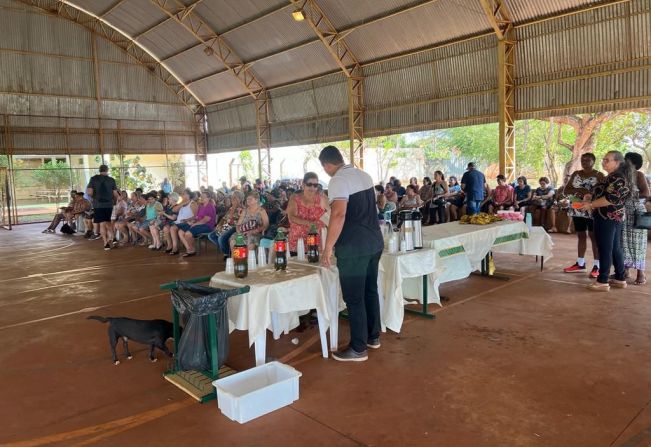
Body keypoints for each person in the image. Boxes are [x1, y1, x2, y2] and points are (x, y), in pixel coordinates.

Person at [319, 145, 383, 362]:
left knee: (354, 298)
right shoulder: (364, 175)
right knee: (370, 291)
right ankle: (373, 337)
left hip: (354, 247)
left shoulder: (337, 180)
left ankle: (358, 348)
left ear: (327, 165)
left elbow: (339, 215)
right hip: (374, 242)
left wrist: (327, 249)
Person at [578, 151, 633, 291]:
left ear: (617, 162)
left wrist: (590, 205)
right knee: (614, 248)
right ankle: (620, 278)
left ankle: (602, 280)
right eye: (603, 159)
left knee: (605, 248)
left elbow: (610, 199)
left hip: (607, 217)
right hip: (611, 217)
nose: (603, 162)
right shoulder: (613, 176)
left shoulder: (617, 178)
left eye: (607, 160)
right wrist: (590, 196)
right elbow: (603, 193)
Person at [563, 153, 605, 277]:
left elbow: (603, 192)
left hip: (592, 210)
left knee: (593, 237)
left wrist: (591, 194)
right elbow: (566, 190)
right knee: (581, 235)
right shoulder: (576, 174)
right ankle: (580, 264)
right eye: (583, 160)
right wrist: (581, 191)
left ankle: (597, 266)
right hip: (577, 209)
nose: (584, 162)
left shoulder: (599, 175)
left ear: (594, 161)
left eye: (588, 160)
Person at [622, 152, 650, 285]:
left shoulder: (639, 175)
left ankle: (641, 273)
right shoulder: (620, 175)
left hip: (636, 212)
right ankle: (625, 270)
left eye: (625, 160)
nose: (623, 162)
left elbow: (646, 193)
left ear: (632, 163)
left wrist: (630, 196)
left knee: (637, 244)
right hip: (622, 213)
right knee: (623, 243)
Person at [287, 172, 328, 254]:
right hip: (297, 242)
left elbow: (331, 215)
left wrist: (321, 223)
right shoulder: (295, 198)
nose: (312, 187)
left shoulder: (322, 198)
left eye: (315, 185)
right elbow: (291, 217)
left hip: (317, 241)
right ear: (303, 185)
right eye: (309, 184)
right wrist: (310, 223)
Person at [86, 165, 118, 250]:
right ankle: (113, 237)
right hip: (108, 204)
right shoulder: (111, 180)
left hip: (98, 205)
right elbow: (115, 194)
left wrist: (93, 198)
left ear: (99, 170)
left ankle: (105, 243)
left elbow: (89, 192)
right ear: (107, 170)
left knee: (102, 224)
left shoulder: (93, 179)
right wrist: (114, 201)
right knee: (108, 222)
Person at [176, 190, 216, 257]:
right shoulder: (201, 206)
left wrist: (195, 224)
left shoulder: (210, 206)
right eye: (201, 196)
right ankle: (189, 248)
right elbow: (197, 217)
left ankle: (192, 250)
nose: (202, 198)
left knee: (188, 234)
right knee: (180, 231)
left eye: (204, 197)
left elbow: (205, 220)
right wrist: (191, 221)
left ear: (208, 198)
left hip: (207, 226)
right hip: (199, 224)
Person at [209, 190, 244, 259]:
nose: (232, 199)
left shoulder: (242, 209)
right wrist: (218, 226)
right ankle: (227, 251)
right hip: (226, 226)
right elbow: (224, 219)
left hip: (234, 227)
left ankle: (228, 253)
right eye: (232, 197)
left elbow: (232, 221)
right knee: (211, 235)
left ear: (239, 199)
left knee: (221, 238)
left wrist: (234, 207)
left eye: (234, 198)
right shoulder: (231, 208)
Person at [168, 189, 197, 255]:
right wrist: (183, 203)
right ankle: (175, 247)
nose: (182, 195)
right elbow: (174, 210)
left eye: (183, 194)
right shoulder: (182, 203)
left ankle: (189, 249)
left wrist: (187, 220)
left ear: (188, 195)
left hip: (187, 222)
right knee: (172, 228)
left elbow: (195, 216)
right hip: (179, 222)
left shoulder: (193, 203)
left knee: (179, 231)